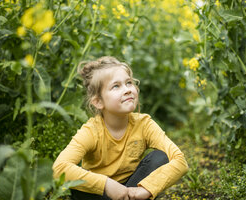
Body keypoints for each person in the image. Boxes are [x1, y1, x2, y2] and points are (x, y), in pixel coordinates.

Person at [52, 56, 188, 200]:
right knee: (78, 185)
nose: (127, 90)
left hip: (131, 190)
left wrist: (145, 189)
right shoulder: (91, 131)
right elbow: (58, 169)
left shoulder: (144, 124)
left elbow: (180, 161)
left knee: (160, 157)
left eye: (129, 83)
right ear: (98, 101)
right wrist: (107, 185)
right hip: (100, 194)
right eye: (116, 86)